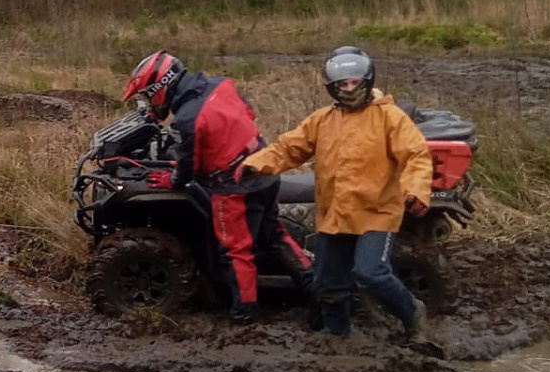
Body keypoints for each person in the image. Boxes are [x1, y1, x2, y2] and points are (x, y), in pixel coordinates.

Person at [241, 46, 436, 350]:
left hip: (377, 211)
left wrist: (417, 190)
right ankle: (336, 336)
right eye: (342, 84)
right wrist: (253, 163)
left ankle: (412, 314)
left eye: (354, 82)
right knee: (329, 281)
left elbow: (416, 156)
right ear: (332, 87)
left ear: (367, 80)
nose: (349, 88)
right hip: (334, 213)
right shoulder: (321, 121)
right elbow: (287, 148)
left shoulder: (389, 117)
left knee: (371, 272)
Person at [124, 51, 314, 324]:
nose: (150, 102)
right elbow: (248, 113)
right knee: (274, 235)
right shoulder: (221, 84)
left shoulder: (187, 118)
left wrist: (172, 179)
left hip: (234, 187)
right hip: (263, 168)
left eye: (148, 96)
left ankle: (244, 315)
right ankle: (318, 289)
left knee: (236, 253)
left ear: (161, 88)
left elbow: (188, 167)